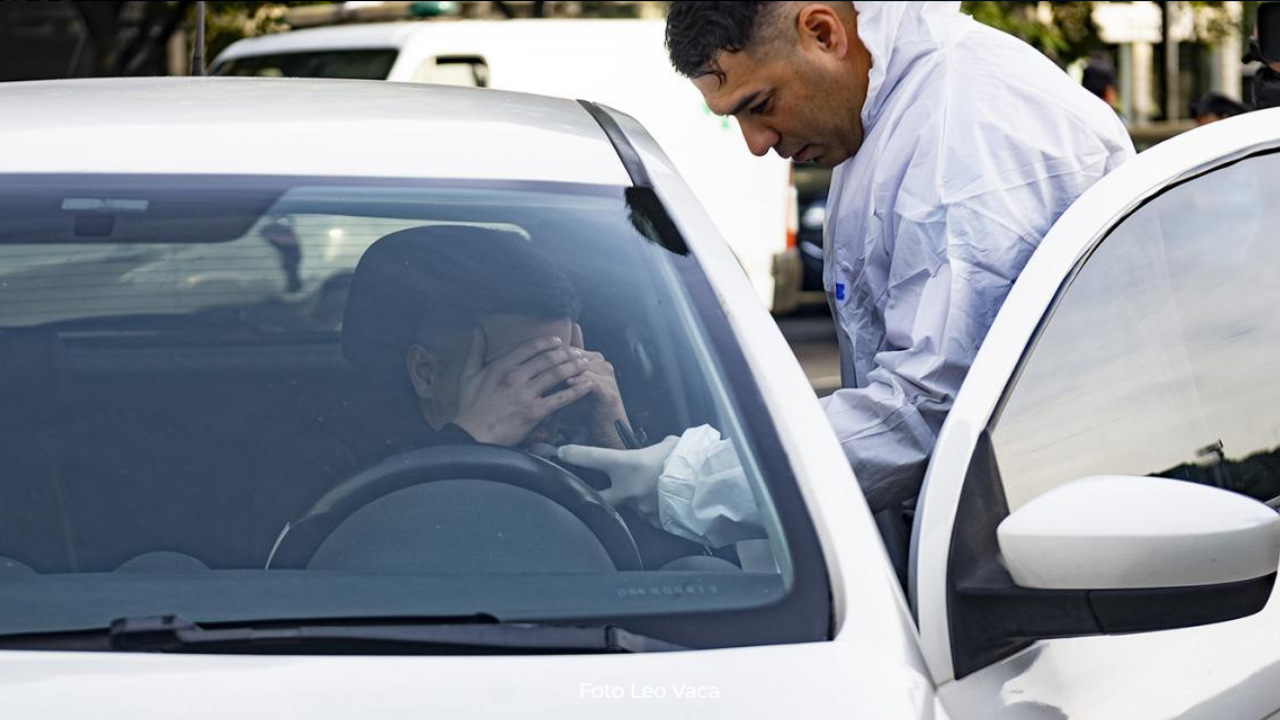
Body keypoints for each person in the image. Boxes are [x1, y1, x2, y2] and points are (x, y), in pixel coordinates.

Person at [566, 2, 1135, 559]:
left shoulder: (965, 143)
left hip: (1054, 570)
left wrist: (695, 483)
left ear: (823, 32)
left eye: (760, 104)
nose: (756, 143)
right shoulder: (899, 115)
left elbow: (933, 409)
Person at [252, 225, 635, 556]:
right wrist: (470, 444)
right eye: (512, 378)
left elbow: (663, 575)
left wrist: (618, 442)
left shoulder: (577, 447)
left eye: (554, 373)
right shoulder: (319, 459)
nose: (538, 405)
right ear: (426, 372)